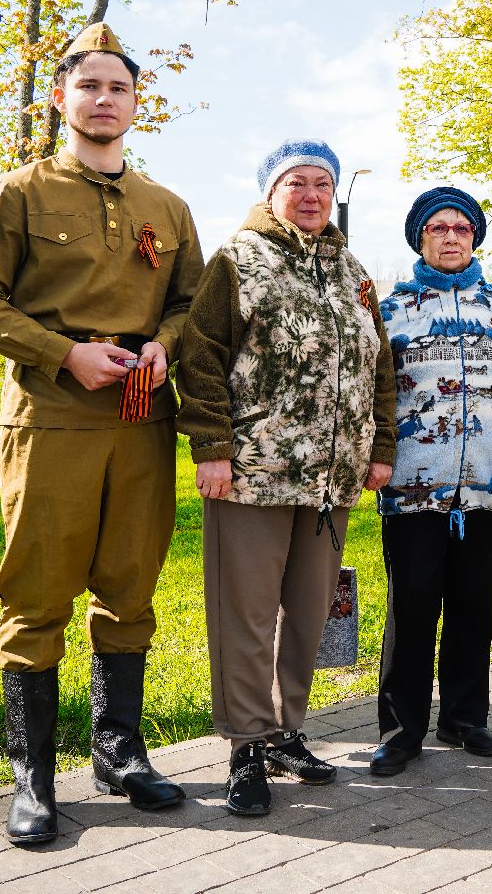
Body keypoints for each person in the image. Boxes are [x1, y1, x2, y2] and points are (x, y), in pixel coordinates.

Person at [0, 23, 202, 845]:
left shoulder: (165, 207)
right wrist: (65, 354)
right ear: (60, 97)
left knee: (130, 584)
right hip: (53, 414)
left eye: (118, 88)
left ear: (137, 104)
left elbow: (192, 301)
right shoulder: (18, 193)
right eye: (88, 86)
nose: (104, 99)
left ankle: (119, 751)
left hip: (141, 418)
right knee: (39, 591)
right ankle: (33, 777)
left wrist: (166, 344)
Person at [177, 139, 396, 816]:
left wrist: (378, 448)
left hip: (331, 481)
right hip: (255, 471)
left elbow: (379, 364)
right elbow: (202, 355)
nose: (311, 195)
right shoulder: (238, 261)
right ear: (271, 192)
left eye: (322, 184)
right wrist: (210, 445)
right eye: (296, 182)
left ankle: (286, 732)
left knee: (308, 612)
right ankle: (246, 744)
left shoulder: (353, 270)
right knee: (246, 614)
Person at [369, 187, 492, 776]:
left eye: (461, 229)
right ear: (420, 239)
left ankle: (465, 717)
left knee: (474, 604)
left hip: (487, 487)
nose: (451, 237)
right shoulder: (392, 311)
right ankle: (401, 729)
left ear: (474, 237)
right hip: (412, 489)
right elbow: (372, 397)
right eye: (437, 229)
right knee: (414, 604)